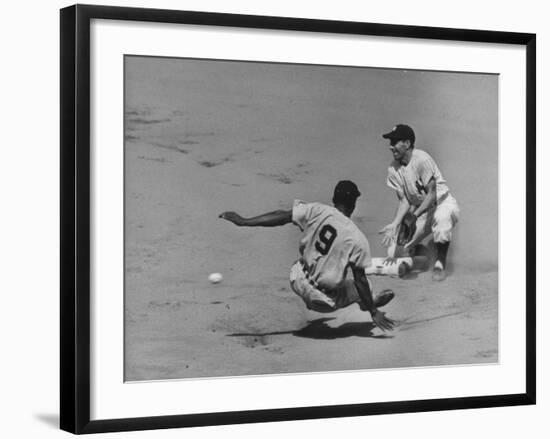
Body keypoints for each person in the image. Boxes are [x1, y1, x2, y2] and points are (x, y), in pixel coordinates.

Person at [219, 180, 395, 331]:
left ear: (334, 199)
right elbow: (360, 280)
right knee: (364, 285)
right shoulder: (357, 238)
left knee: (311, 261)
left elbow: (281, 216)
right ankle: (369, 303)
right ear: (354, 204)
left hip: (296, 279)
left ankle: (367, 302)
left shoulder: (317, 209)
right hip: (323, 300)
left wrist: (244, 221)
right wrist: (374, 313)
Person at [378, 124, 460, 281]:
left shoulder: (422, 159)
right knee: (394, 253)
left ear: (407, 144)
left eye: (394, 142)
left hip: (443, 204)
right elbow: (404, 201)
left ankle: (440, 264)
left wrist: (413, 216)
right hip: (424, 213)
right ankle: (426, 256)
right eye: (390, 142)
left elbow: (432, 194)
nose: (391, 147)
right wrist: (395, 224)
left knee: (441, 219)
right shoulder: (393, 169)